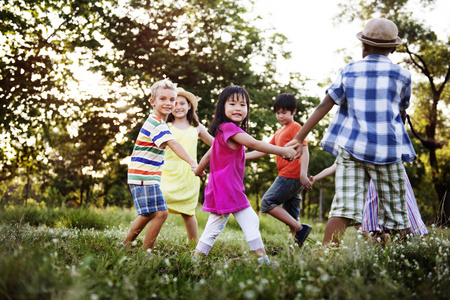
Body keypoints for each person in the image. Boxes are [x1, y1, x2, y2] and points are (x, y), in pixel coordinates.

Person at [287, 18, 417, 246]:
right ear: (393, 48)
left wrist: (299, 137)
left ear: (364, 46)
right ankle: (402, 260)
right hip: (387, 152)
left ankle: (328, 255)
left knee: (344, 208)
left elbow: (324, 105)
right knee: (397, 212)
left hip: (351, 150)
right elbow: (401, 112)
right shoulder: (403, 76)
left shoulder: (349, 71)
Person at [193, 86, 298, 264]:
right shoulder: (228, 128)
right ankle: (263, 262)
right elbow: (255, 143)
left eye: (243, 104)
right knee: (249, 220)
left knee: (215, 226)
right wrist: (283, 151)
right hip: (227, 187)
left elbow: (210, 153)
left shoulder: (222, 131)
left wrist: (198, 170)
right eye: (232, 103)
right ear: (222, 108)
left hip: (221, 186)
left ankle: (195, 260)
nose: (238, 108)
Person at [121, 79, 198, 252]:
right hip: (143, 176)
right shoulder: (156, 123)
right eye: (163, 99)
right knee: (161, 213)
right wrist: (193, 163)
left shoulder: (159, 122)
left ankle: (126, 243)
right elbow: (174, 144)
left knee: (148, 214)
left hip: (143, 176)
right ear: (152, 101)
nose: (168, 103)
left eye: (172, 99)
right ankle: (146, 251)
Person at [246, 93, 312, 247]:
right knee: (291, 215)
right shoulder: (278, 131)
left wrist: (303, 174)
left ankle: (300, 228)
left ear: (293, 111)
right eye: (278, 113)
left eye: (284, 112)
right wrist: (242, 156)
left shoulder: (295, 127)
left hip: (291, 175)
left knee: (267, 203)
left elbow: (305, 150)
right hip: (290, 176)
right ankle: (299, 248)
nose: (281, 116)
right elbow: (264, 150)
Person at [309, 163, 428, 236]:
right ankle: (379, 246)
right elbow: (332, 167)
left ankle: (389, 244)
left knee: (378, 222)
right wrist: (315, 178)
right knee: (366, 225)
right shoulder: (349, 154)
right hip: (363, 193)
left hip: (376, 186)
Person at [160, 87, 214, 243]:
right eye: (174, 103)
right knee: (157, 208)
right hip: (167, 172)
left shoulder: (196, 127)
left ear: (189, 105)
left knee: (188, 212)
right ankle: (147, 241)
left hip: (190, 173)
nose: (178, 107)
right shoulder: (165, 125)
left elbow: (215, 145)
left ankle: (193, 245)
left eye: (182, 103)